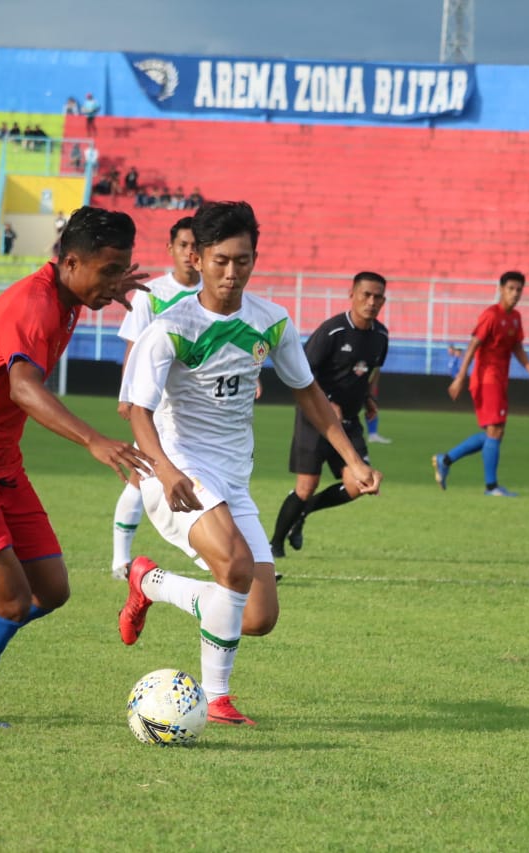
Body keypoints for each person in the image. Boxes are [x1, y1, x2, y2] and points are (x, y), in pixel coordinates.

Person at [117, 201, 382, 726]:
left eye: (242, 260)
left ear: (254, 258)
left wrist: (352, 459)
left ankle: (148, 582)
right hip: (178, 472)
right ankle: (216, 698)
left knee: (258, 617)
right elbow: (134, 410)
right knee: (235, 569)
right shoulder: (172, 327)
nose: (231, 272)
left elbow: (309, 395)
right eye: (221, 260)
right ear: (199, 258)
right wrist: (165, 471)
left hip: (232, 479)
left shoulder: (271, 321)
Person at [0, 206, 152, 728]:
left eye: (120, 269)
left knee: (51, 590)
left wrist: (110, 281)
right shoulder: (34, 306)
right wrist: (93, 440)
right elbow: (22, 387)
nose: (113, 284)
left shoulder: (68, 293)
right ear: (70, 262)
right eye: (107, 271)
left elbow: (91, 284)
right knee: (12, 602)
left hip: (0, 466)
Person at [269, 271, 389, 560]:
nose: (371, 302)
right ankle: (275, 544)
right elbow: (303, 372)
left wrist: (369, 398)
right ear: (352, 294)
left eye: (378, 297)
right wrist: (326, 402)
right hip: (315, 420)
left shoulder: (381, 336)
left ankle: (304, 512)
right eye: (366, 295)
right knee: (306, 485)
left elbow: (372, 371)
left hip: (348, 422)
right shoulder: (332, 331)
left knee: (361, 484)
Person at [110, 217, 201, 580]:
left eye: (197, 246)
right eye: (183, 245)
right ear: (171, 249)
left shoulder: (210, 295)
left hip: (198, 405)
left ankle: (226, 557)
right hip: (157, 403)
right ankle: (120, 560)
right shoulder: (151, 294)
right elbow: (135, 345)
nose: (190, 252)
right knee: (140, 474)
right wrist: (127, 396)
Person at [432, 271, 529, 497]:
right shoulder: (491, 316)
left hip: (500, 379)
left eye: (519, 289)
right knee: (495, 430)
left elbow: (516, 347)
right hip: (486, 379)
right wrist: (461, 376)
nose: (515, 294)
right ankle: (491, 487)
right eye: (510, 288)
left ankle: (445, 460)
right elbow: (473, 345)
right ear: (501, 289)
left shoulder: (515, 318)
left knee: (496, 433)